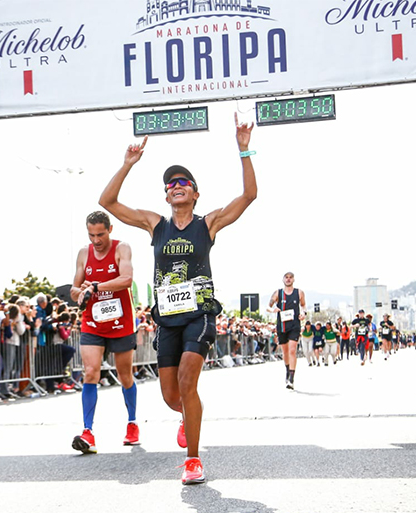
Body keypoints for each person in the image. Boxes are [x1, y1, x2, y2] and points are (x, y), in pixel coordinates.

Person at [98, 113, 257, 485]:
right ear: (166, 195)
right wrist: (127, 165)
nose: (176, 186)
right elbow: (107, 201)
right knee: (173, 396)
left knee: (189, 379)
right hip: (166, 317)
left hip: (199, 314)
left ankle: (193, 461)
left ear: (196, 193)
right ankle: (187, 416)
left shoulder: (209, 223)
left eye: (184, 182)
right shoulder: (156, 224)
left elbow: (249, 196)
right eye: (171, 184)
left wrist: (244, 150)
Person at [70, 211, 140, 454]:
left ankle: (132, 423)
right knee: (90, 372)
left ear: (110, 229)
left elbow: (126, 279)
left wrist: (98, 286)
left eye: (100, 234)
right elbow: (74, 289)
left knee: (125, 376)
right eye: (91, 235)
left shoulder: (122, 248)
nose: (96, 240)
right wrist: (80, 293)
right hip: (92, 321)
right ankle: (88, 432)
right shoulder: (83, 253)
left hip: (120, 321)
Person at [268, 272, 306, 389]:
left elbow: (304, 306)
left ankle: (292, 378)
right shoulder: (278, 293)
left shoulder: (299, 292)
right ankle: (287, 370)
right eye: (286, 277)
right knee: (285, 352)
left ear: (294, 279)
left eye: (290, 278)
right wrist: (272, 309)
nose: (288, 279)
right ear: (283, 279)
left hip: (294, 325)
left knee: (292, 350)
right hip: (282, 325)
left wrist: (304, 313)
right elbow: (268, 306)